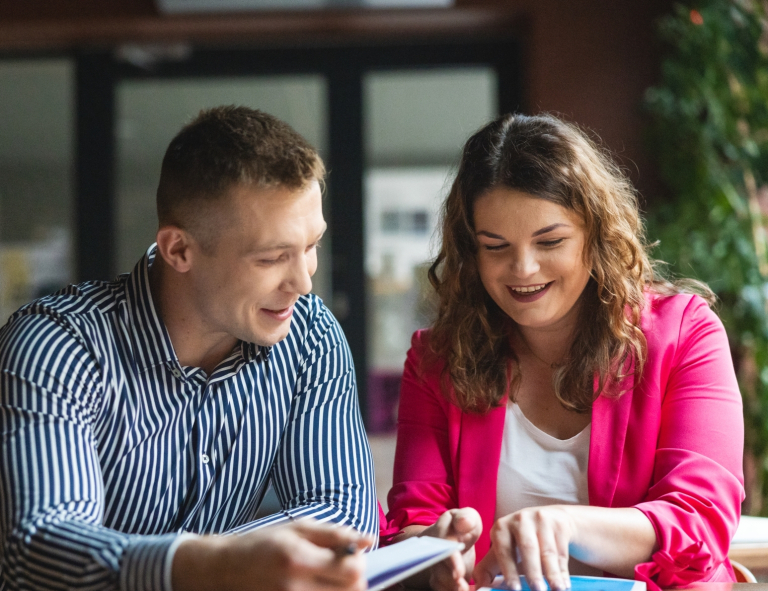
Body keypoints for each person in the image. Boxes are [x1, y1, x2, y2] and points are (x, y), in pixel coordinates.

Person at [0, 106, 378, 591]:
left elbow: (342, 512)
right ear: (179, 250)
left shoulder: (309, 335)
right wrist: (214, 565)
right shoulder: (55, 346)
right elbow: (41, 548)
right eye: (272, 258)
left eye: (311, 246)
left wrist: (228, 561)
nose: (304, 283)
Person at [382, 113, 744, 591]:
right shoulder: (438, 360)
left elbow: (700, 517)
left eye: (549, 241)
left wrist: (566, 526)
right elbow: (413, 523)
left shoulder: (686, 334)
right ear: (471, 253)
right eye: (495, 247)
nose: (523, 268)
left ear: (595, 236)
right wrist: (432, 553)